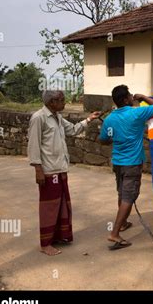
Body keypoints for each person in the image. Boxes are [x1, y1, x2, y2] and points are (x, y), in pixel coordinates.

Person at [27, 90, 100, 256]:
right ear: (52, 102)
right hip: (48, 170)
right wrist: (38, 170)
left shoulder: (58, 117)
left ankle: (58, 236)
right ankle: (45, 244)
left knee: (61, 204)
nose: (64, 102)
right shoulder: (39, 118)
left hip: (60, 169)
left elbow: (73, 129)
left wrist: (89, 119)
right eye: (61, 100)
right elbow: (33, 145)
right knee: (49, 207)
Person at [99, 85, 153, 250]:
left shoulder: (110, 119)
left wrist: (116, 137)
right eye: (129, 95)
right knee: (129, 197)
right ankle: (114, 233)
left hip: (118, 162)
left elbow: (104, 139)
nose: (131, 96)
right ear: (126, 99)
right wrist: (143, 97)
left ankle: (124, 222)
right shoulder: (136, 113)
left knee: (122, 192)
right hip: (132, 163)